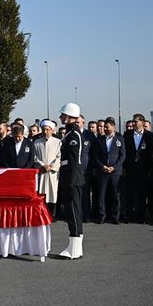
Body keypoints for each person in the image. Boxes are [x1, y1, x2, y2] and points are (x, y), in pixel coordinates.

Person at [57, 103, 85, 259]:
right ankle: (75, 246)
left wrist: (70, 180)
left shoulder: (73, 135)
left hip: (72, 178)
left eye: (63, 114)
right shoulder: (70, 133)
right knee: (73, 210)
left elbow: (74, 160)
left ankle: (74, 248)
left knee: (73, 211)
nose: (61, 117)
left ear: (69, 117)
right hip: (70, 177)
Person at [122, 114, 153, 223]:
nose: (133, 123)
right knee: (129, 193)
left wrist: (150, 169)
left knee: (142, 193)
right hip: (130, 169)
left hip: (144, 169)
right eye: (133, 121)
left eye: (135, 121)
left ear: (142, 122)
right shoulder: (127, 135)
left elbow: (152, 154)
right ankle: (129, 215)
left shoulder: (149, 136)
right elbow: (124, 153)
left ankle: (141, 216)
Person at [92, 117, 126, 224]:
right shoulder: (99, 140)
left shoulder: (119, 139)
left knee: (116, 195)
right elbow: (95, 156)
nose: (105, 129)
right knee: (101, 195)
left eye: (107, 127)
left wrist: (114, 167)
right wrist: (102, 166)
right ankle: (102, 216)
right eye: (104, 127)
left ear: (113, 127)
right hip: (102, 172)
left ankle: (115, 216)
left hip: (115, 172)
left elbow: (122, 155)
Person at [34, 120, 61, 216]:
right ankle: (42, 214)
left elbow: (59, 156)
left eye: (47, 129)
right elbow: (35, 157)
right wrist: (43, 165)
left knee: (52, 192)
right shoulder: (37, 142)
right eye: (43, 129)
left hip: (53, 172)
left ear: (52, 130)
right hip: (42, 172)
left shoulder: (58, 142)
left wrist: (51, 166)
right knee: (42, 192)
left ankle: (52, 214)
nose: (45, 132)